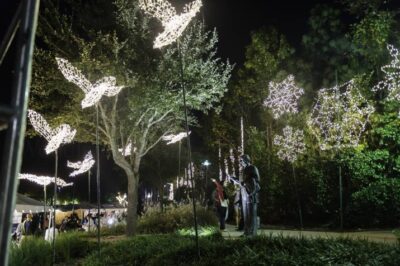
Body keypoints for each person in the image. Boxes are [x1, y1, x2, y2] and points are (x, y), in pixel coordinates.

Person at [240, 154, 260, 236]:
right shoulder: (244, 170)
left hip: (252, 195)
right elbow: (243, 182)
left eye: (241, 160)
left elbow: (257, 179)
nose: (240, 162)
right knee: (246, 215)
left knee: (251, 215)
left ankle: (252, 233)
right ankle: (247, 232)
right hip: (245, 195)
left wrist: (247, 181)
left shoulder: (253, 168)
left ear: (246, 160)